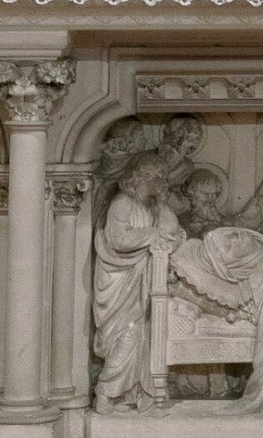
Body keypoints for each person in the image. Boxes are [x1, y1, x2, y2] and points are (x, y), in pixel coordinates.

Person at [93, 152, 184, 414]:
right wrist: (156, 234)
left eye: (164, 178)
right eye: (158, 178)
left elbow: (174, 231)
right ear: (141, 178)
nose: (163, 182)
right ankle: (105, 394)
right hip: (118, 282)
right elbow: (118, 239)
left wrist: (168, 227)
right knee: (128, 335)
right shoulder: (122, 204)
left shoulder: (153, 206)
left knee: (143, 336)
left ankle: (130, 395)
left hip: (144, 282)